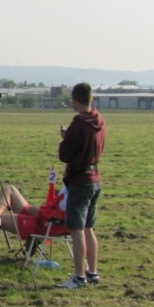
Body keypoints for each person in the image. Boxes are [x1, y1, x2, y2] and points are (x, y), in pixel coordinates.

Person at [56, 82, 106, 289]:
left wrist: (66, 138)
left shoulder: (79, 122)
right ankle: (92, 272)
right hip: (95, 177)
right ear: (91, 99)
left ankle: (78, 277)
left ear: (75, 100)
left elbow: (65, 154)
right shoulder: (99, 119)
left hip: (80, 180)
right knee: (89, 228)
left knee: (76, 229)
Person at [0, 184, 69, 276]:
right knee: (9, 190)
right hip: (43, 217)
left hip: (45, 225)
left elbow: (70, 216)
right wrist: (41, 210)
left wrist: (42, 212)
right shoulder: (71, 183)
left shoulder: (78, 188)